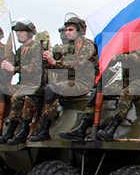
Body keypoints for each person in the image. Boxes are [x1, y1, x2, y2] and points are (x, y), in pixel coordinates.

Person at [39, 14, 99, 142]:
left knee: (52, 89)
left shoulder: (87, 45)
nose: (67, 33)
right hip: (70, 82)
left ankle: (44, 131)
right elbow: (62, 66)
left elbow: (78, 64)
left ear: (79, 30)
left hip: (83, 83)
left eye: (71, 30)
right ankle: (40, 128)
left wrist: (55, 62)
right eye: (66, 30)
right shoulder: (69, 47)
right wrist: (49, 62)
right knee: (42, 91)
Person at [0, 18, 44, 145]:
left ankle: (24, 129)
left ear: (29, 32)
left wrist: (14, 68)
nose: (18, 34)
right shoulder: (20, 50)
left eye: (21, 31)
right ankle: (4, 130)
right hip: (22, 84)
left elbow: (35, 67)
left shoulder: (36, 47)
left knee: (18, 97)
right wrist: (7, 67)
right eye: (17, 32)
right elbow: (14, 67)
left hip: (34, 84)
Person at [97, 45, 140, 141]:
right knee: (101, 91)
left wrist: (115, 57)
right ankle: (83, 126)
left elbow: (137, 58)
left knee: (127, 92)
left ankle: (112, 128)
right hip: (126, 81)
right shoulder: (126, 45)